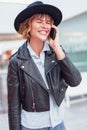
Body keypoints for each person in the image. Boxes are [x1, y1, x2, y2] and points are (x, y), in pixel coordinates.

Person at [7, 1, 82, 130]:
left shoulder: (56, 52)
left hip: (58, 124)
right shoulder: (16, 61)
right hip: (32, 127)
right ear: (28, 25)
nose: (45, 26)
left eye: (48, 22)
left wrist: (56, 47)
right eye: (39, 21)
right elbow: (13, 106)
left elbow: (75, 81)